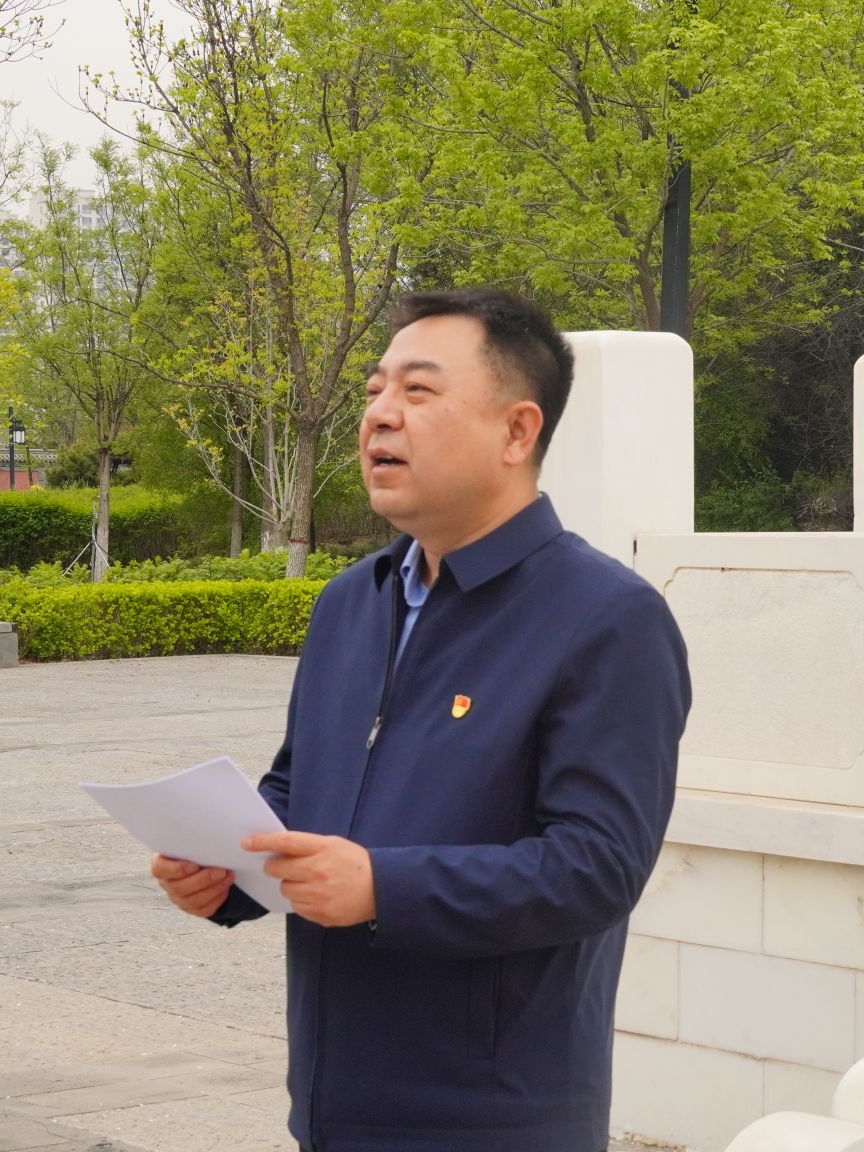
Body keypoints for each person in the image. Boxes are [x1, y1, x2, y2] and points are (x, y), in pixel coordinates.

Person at [150, 288, 691, 1152]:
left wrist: (383, 888)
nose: (380, 415)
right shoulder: (349, 603)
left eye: (419, 391)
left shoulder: (605, 618)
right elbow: (300, 789)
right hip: (332, 1101)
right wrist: (227, 870)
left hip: (492, 1118)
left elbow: (597, 867)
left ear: (517, 431)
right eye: (374, 390)